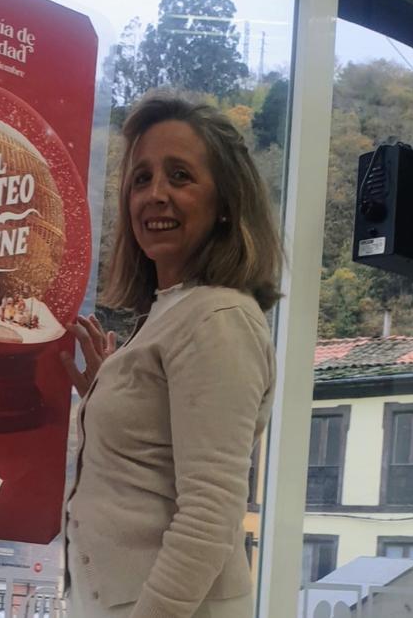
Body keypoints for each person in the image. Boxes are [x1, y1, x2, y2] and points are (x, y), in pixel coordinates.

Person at [60, 95, 282, 618]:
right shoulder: (171, 312)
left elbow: (208, 516)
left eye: (179, 176)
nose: (155, 194)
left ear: (225, 200)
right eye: (141, 179)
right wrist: (107, 389)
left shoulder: (216, 319)